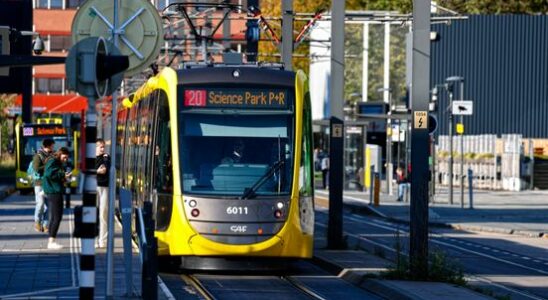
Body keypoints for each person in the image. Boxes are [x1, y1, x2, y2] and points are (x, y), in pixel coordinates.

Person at [43, 147, 71, 250]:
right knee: (57, 217)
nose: (65, 159)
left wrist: (64, 177)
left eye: (67, 158)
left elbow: (53, 175)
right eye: (64, 157)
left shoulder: (55, 161)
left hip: (54, 191)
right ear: (60, 154)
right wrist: (63, 174)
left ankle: (51, 240)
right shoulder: (53, 161)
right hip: (54, 192)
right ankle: (51, 241)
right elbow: (49, 174)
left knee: (54, 217)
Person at [33, 138, 55, 233]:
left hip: (49, 183)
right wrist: (47, 166)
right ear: (48, 145)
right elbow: (36, 168)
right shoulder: (38, 156)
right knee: (41, 203)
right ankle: (37, 222)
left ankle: (45, 225)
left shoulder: (53, 155)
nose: (53, 147)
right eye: (52, 145)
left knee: (49, 205)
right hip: (39, 183)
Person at [95, 139, 110, 248]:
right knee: (94, 214)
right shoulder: (91, 158)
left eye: (103, 146)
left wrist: (99, 170)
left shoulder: (106, 157)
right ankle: (94, 239)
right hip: (93, 187)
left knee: (103, 214)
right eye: (100, 147)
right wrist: (96, 171)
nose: (102, 149)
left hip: (104, 187)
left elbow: (104, 169)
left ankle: (102, 240)